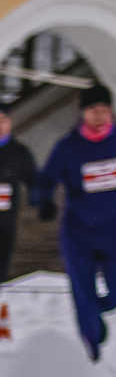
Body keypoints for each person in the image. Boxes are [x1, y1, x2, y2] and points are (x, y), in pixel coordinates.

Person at [32, 87, 116, 360]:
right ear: (83, 113)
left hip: (115, 232)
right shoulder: (68, 147)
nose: (99, 115)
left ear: (111, 111)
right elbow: (46, 180)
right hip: (78, 234)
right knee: (83, 294)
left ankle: (94, 315)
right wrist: (44, 200)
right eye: (93, 110)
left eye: (104, 110)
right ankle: (91, 352)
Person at [0, 104, 36, 283]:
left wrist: (39, 199)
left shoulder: (19, 152)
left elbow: (33, 180)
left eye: (4, 120)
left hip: (5, 224)